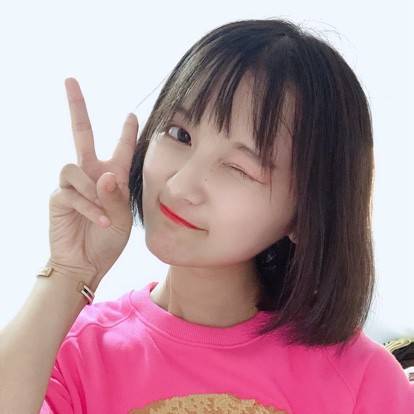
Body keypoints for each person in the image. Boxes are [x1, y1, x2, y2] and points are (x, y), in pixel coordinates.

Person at [0, 19, 413, 414]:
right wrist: (70, 271)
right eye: (180, 134)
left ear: (306, 215)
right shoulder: (71, 352)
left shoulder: (361, 382)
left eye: (238, 168)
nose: (180, 186)